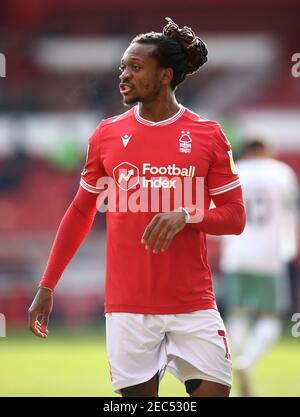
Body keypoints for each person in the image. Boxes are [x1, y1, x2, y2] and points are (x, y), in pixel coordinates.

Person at [28, 18, 246, 397]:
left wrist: (187, 215)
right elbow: (80, 212)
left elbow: (235, 217)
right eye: (122, 68)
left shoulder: (208, 134)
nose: (123, 76)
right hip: (128, 308)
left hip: (192, 305)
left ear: (165, 75)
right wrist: (47, 285)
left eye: (135, 67)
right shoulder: (106, 134)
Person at [220, 140, 299, 397]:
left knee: (238, 314)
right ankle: (246, 362)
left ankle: (228, 367)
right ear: (266, 149)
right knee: (271, 316)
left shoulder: (237, 170)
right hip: (270, 255)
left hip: (236, 253)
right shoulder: (280, 173)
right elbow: (293, 215)